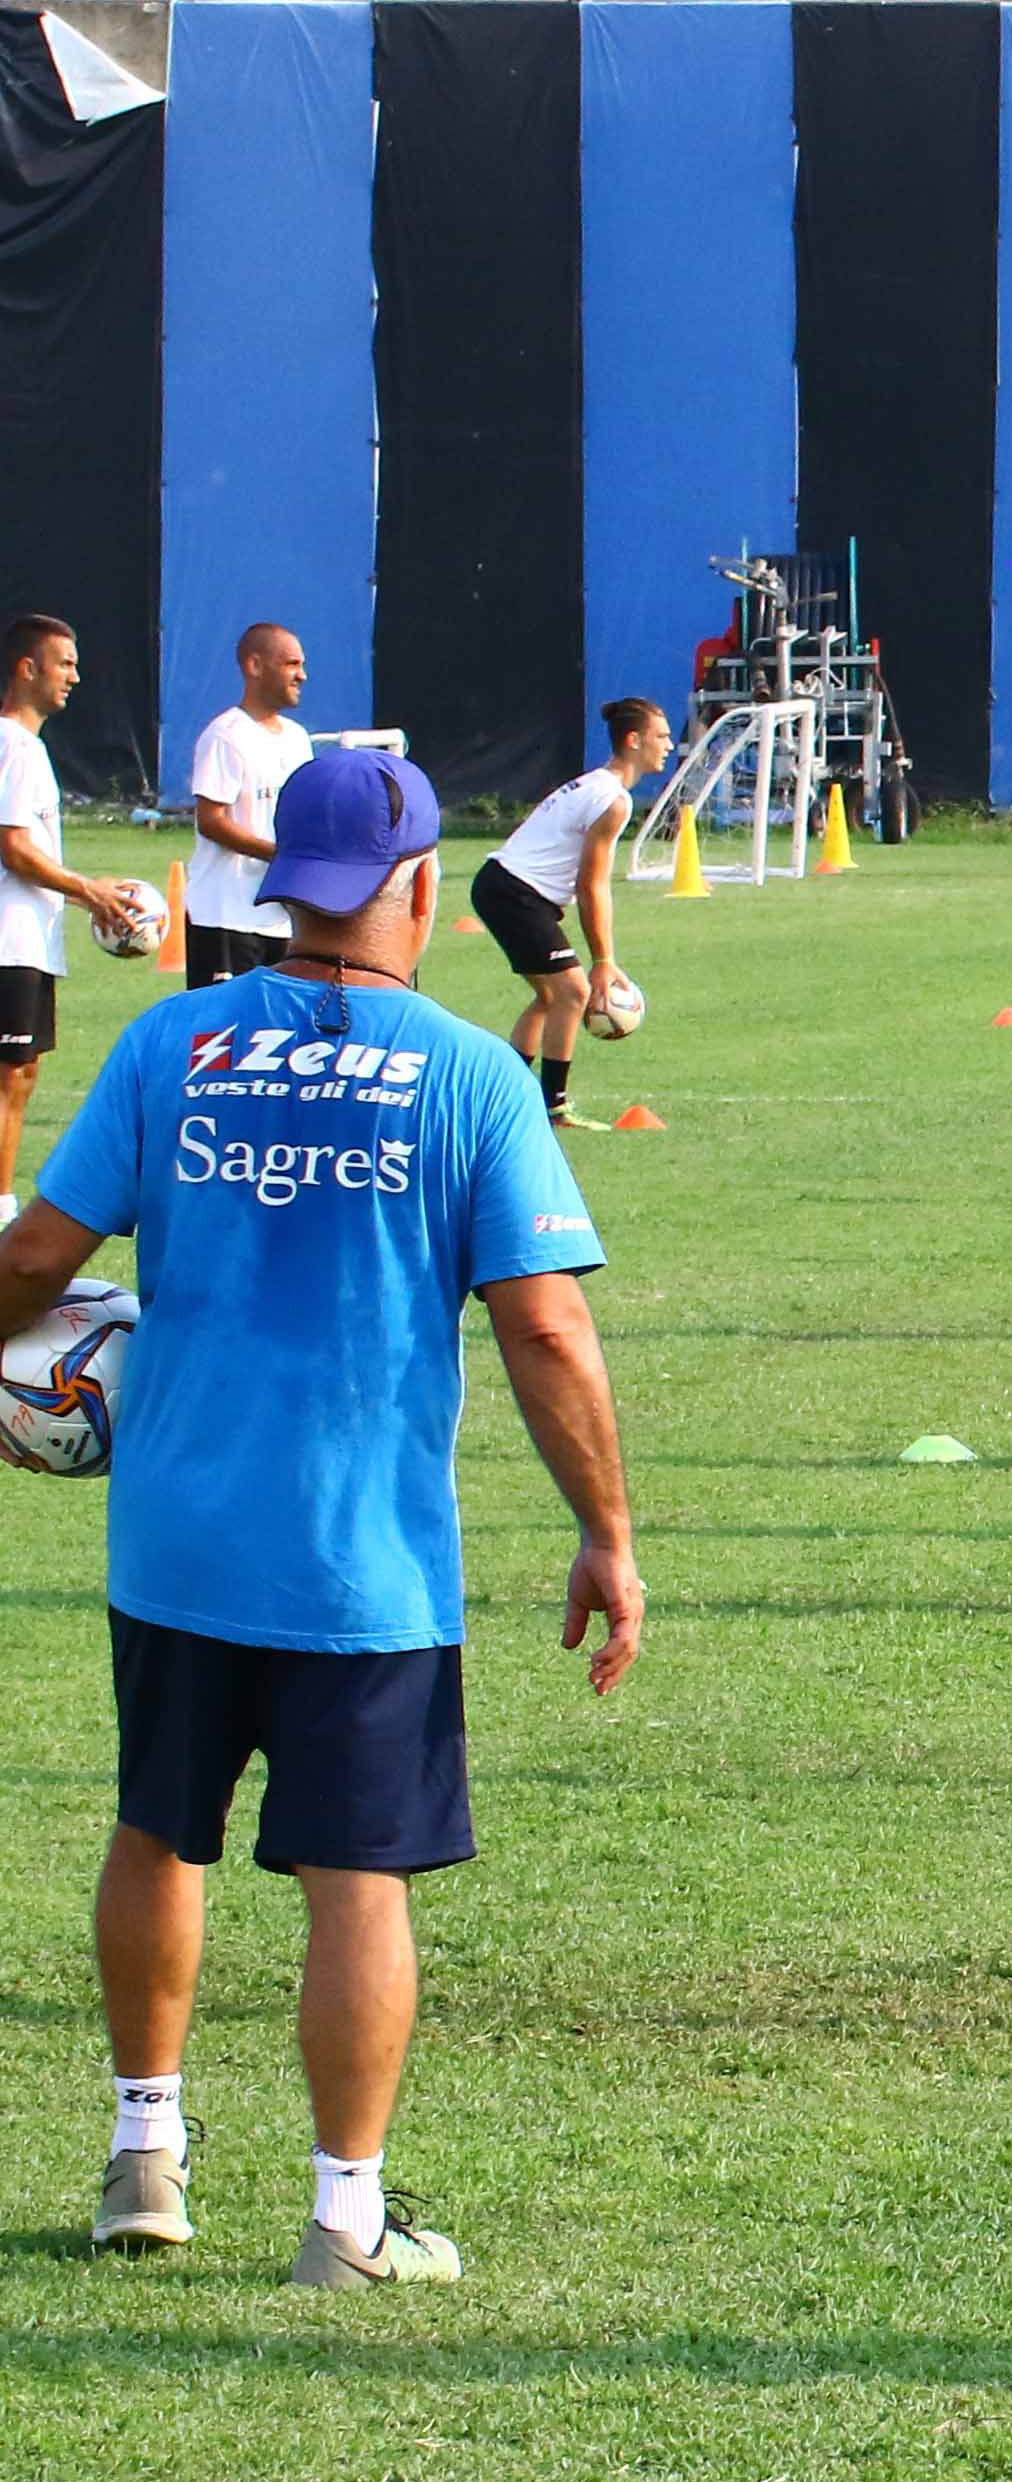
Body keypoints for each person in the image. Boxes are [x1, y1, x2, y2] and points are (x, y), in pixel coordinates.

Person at [0, 746, 643, 2282]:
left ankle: (143, 2155)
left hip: (176, 1541)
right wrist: (607, 1531)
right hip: (363, 1563)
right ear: (421, 889)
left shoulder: (175, 1047)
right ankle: (344, 2219)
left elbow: (35, 1257)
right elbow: (546, 1330)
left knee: (160, 1831)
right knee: (360, 1879)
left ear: (288, 888)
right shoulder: (472, 1073)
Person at [0, 614, 160, 1194]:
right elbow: (16, 850)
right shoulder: (16, 747)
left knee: (20, 1076)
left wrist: (84, 886)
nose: (74, 675)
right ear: (27, 668)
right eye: (64, 663)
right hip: (9, 944)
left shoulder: (22, 747)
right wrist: (86, 890)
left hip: (24, 939)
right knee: (9, 1076)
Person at [470, 697, 668, 1129]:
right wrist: (603, 962)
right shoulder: (612, 800)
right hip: (515, 892)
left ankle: (506, 1099)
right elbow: (591, 885)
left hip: (504, 887)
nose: (669, 745)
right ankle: (553, 1108)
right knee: (575, 994)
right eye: (661, 736)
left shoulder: (595, 785)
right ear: (634, 741)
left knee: (551, 997)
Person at [184, 623, 322, 988]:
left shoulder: (297, 739)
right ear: (255, 666)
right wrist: (280, 856)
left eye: (302, 664)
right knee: (225, 1036)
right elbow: (210, 821)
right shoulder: (225, 735)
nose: (302, 675)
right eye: (291, 664)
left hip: (281, 916)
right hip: (226, 915)